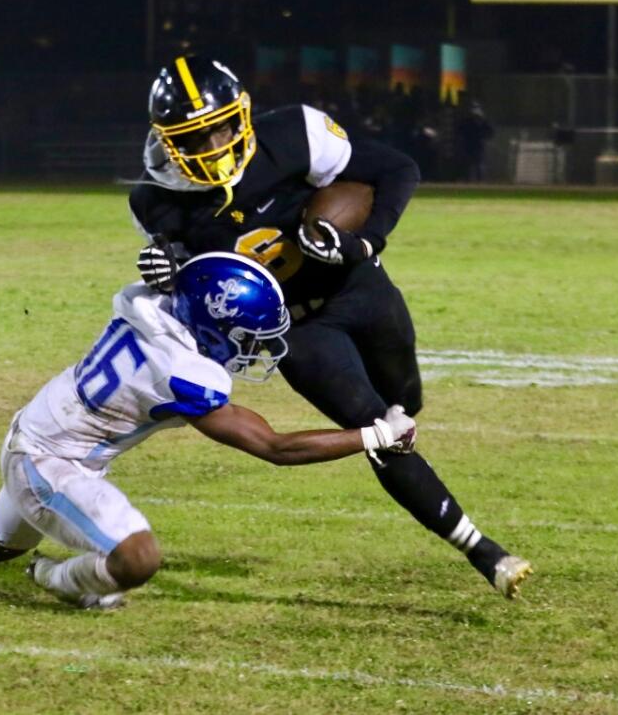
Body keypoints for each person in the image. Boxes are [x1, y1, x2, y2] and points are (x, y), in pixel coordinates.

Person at [130, 56, 532, 598]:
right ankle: (484, 551)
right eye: (193, 137)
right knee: (383, 434)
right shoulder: (156, 200)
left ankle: (416, 447)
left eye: (219, 127)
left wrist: (365, 242)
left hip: (356, 286)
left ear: (241, 114)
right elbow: (193, 295)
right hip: (293, 330)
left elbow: (395, 169)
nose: (212, 145)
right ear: (168, 140)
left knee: (405, 402)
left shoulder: (294, 135)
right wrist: (169, 274)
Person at [0, 253, 419, 609]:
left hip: (35, 433)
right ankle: (57, 579)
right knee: (136, 557)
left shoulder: (148, 302)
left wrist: (170, 254)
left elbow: (178, 276)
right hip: (50, 462)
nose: (249, 351)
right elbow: (274, 447)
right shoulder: (184, 371)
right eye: (244, 337)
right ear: (215, 324)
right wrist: (376, 435)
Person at [457, 100, 495, 181]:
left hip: (479, 146)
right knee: (468, 165)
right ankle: (467, 182)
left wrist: (482, 123)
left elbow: (490, 132)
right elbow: (460, 131)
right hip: (468, 145)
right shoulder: (466, 121)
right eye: (473, 108)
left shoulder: (482, 121)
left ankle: (480, 182)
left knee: (479, 165)